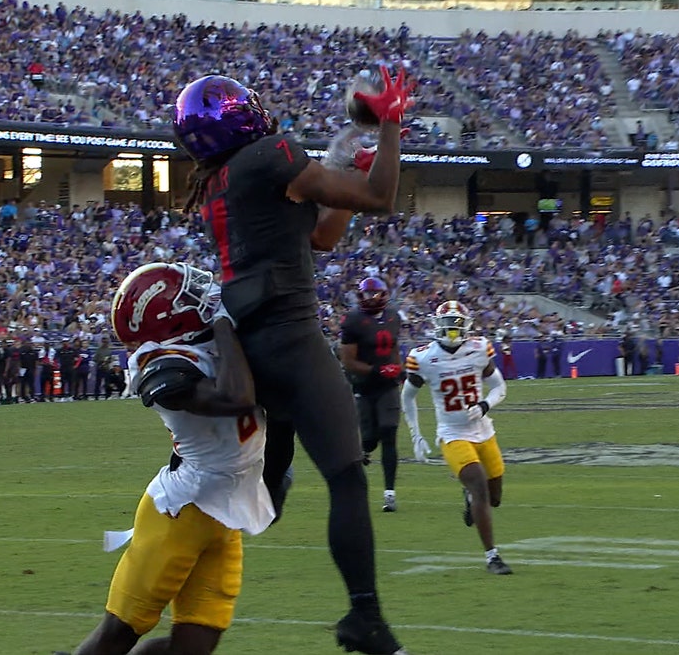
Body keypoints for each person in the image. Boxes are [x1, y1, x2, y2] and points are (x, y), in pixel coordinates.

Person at [171, 69, 414, 654]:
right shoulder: (269, 154)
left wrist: (347, 172)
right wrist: (391, 127)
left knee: (264, 496)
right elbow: (381, 198)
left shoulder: (225, 177)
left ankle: (155, 582)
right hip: (288, 333)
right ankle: (365, 618)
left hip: (250, 341)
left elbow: (323, 237)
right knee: (347, 475)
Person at [61, 262, 273, 655]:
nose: (207, 299)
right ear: (169, 317)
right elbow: (236, 398)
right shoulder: (161, 369)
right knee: (119, 633)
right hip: (181, 512)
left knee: (191, 650)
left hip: (227, 513)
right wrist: (226, 322)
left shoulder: (206, 341)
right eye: (191, 298)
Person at [400, 300, 513, 576]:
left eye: (457, 324)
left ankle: (469, 497)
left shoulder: (478, 348)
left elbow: (499, 387)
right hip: (452, 434)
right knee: (480, 488)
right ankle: (492, 557)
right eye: (448, 324)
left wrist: (485, 405)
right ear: (437, 326)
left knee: (494, 497)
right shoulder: (424, 357)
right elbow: (407, 396)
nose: (452, 330)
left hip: (484, 430)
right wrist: (416, 434)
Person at [339, 276, 406, 512]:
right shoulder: (353, 320)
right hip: (363, 386)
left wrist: (398, 369)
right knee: (369, 439)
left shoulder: (393, 316)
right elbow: (348, 362)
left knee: (389, 432)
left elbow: (395, 346)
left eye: (375, 293)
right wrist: (378, 370)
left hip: (387, 386)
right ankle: (364, 449)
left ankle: (390, 493)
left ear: (384, 295)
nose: (371, 298)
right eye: (367, 294)